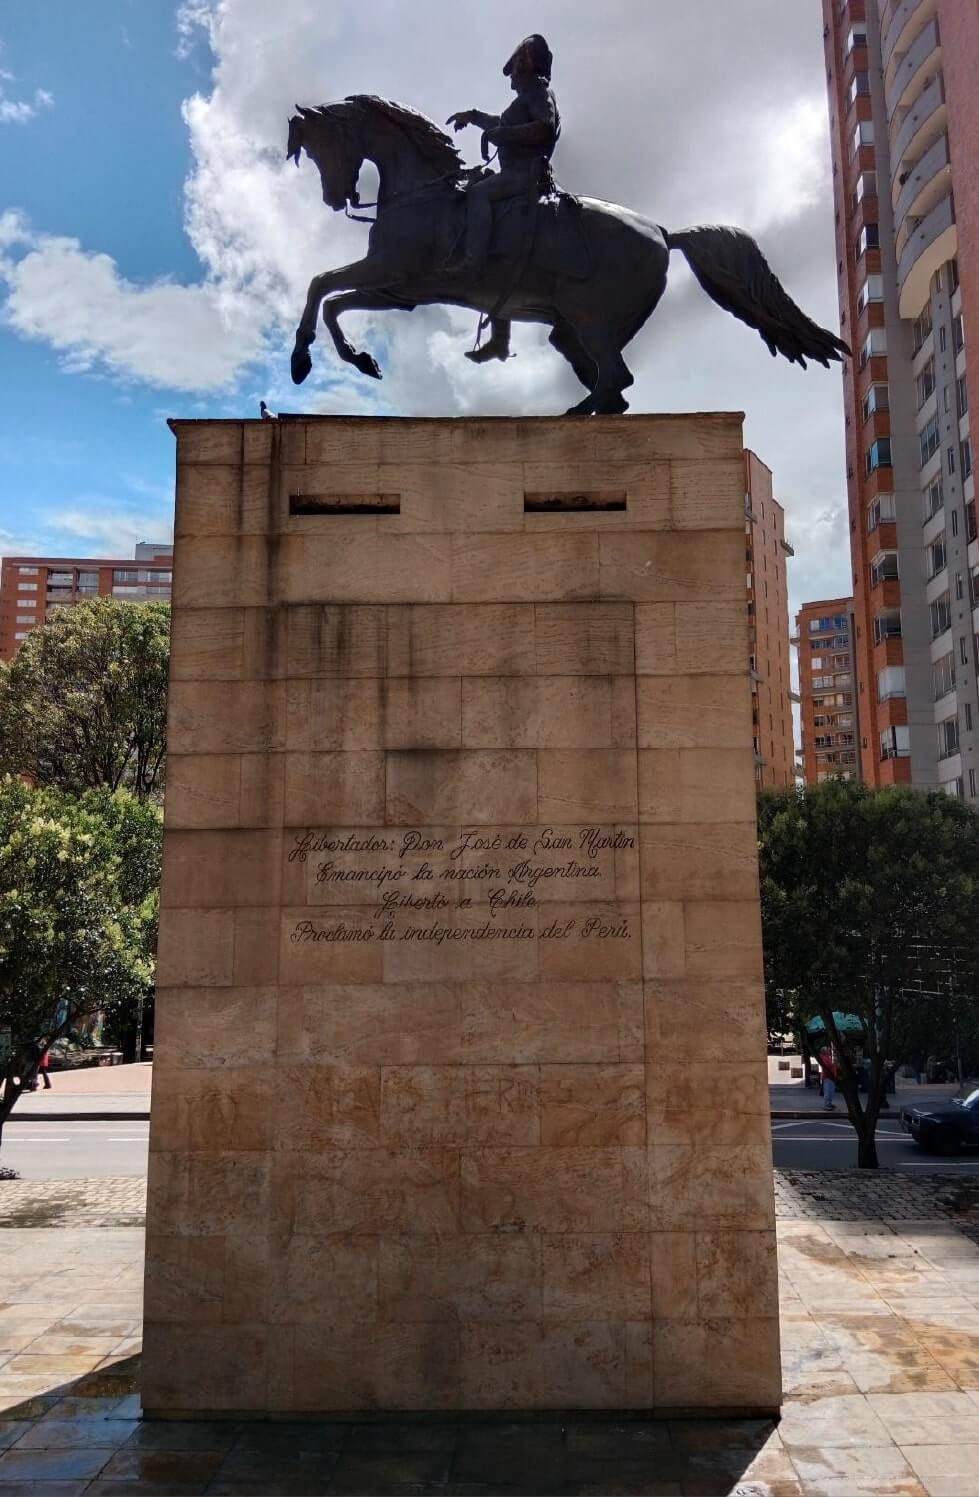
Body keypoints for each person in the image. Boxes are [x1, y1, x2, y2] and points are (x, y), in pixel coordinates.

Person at [447, 33, 561, 364]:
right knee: (477, 186)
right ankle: (499, 340)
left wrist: (501, 134)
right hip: (514, 173)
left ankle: (472, 262)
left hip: (526, 175)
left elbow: (545, 126)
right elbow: (501, 123)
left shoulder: (539, 91)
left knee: (479, 194)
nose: (510, 77)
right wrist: (474, 116)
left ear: (525, 67)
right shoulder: (526, 96)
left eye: (513, 69)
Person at [819, 1046, 838, 1111]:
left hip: (830, 1076)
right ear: (824, 1051)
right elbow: (827, 1066)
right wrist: (834, 1064)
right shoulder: (824, 1058)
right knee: (828, 1091)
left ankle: (829, 1103)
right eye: (827, 1050)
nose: (829, 1051)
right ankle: (826, 1105)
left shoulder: (828, 1057)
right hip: (828, 1076)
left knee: (831, 1091)